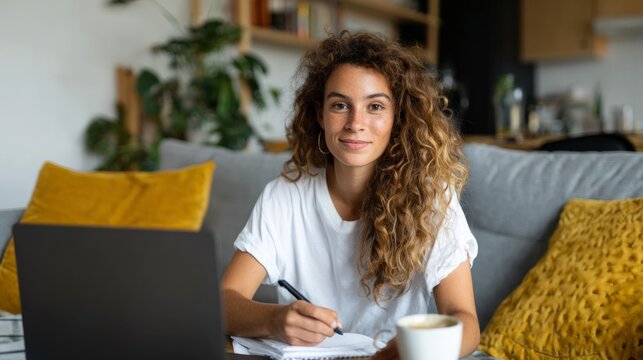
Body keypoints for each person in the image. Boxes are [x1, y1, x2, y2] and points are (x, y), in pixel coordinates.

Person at [221, 31, 480, 358]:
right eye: (340, 105)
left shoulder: (432, 198)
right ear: (320, 114)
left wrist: (413, 350)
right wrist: (274, 319)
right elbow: (225, 300)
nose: (356, 123)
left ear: (396, 117)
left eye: (374, 106)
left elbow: (467, 323)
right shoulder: (284, 197)